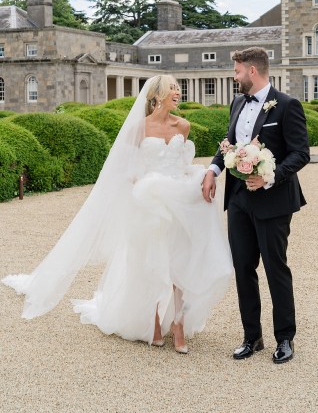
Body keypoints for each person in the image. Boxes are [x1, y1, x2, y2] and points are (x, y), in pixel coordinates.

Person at [2, 75, 232, 354]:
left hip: (178, 199)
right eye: (172, 88)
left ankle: (179, 323)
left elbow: (183, 164)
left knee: (179, 261)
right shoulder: (139, 127)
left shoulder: (183, 125)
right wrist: (142, 185)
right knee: (151, 262)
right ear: (157, 94)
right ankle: (155, 321)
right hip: (150, 202)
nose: (177, 92)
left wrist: (195, 182)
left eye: (177, 88)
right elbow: (126, 167)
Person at [202, 47, 309, 363]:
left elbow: (300, 153)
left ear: (251, 71)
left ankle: (285, 339)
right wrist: (213, 170)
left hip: (274, 200)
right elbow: (229, 143)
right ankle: (252, 337)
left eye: (236, 71)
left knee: (276, 268)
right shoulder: (237, 102)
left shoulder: (287, 105)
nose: (234, 77)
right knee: (243, 267)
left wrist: (269, 177)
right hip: (238, 199)